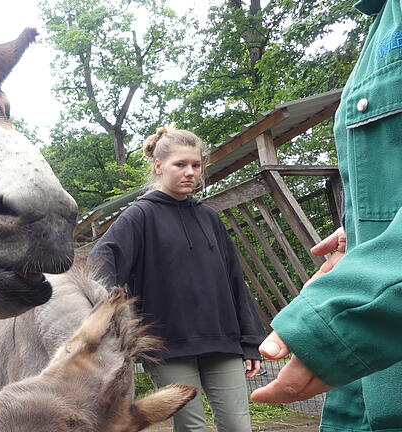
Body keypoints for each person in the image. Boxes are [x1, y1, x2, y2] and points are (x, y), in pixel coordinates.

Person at [250, 1, 402, 430]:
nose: (191, 173)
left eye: (195, 164)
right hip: (368, 398)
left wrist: (346, 316)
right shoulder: (383, 20)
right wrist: (365, 232)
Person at [88, 127, 266, 432]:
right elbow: (101, 262)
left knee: (238, 427)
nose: (190, 173)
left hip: (222, 342)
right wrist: (113, 317)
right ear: (159, 166)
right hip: (168, 348)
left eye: (196, 165)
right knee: (192, 429)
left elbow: (236, 281)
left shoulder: (209, 217)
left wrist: (251, 342)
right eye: (180, 165)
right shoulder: (139, 216)